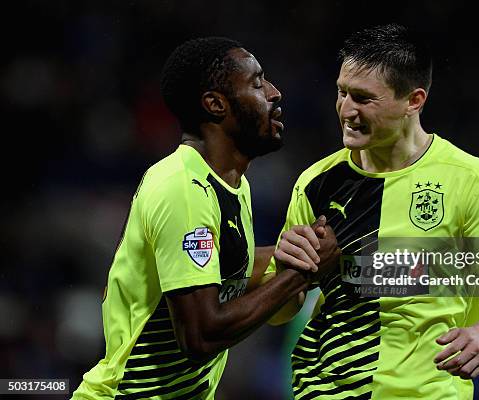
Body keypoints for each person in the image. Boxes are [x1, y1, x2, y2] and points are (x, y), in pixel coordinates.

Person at [268, 24, 479, 399]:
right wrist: (285, 273)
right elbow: (283, 312)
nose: (346, 110)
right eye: (341, 92)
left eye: (364, 99)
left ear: (413, 100)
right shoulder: (316, 182)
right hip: (325, 390)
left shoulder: (469, 180)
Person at [72, 37, 339, 399]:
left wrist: (285, 253)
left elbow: (225, 271)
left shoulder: (232, 185)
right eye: (258, 83)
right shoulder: (182, 187)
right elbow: (201, 335)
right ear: (216, 104)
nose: (275, 93)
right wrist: (301, 273)